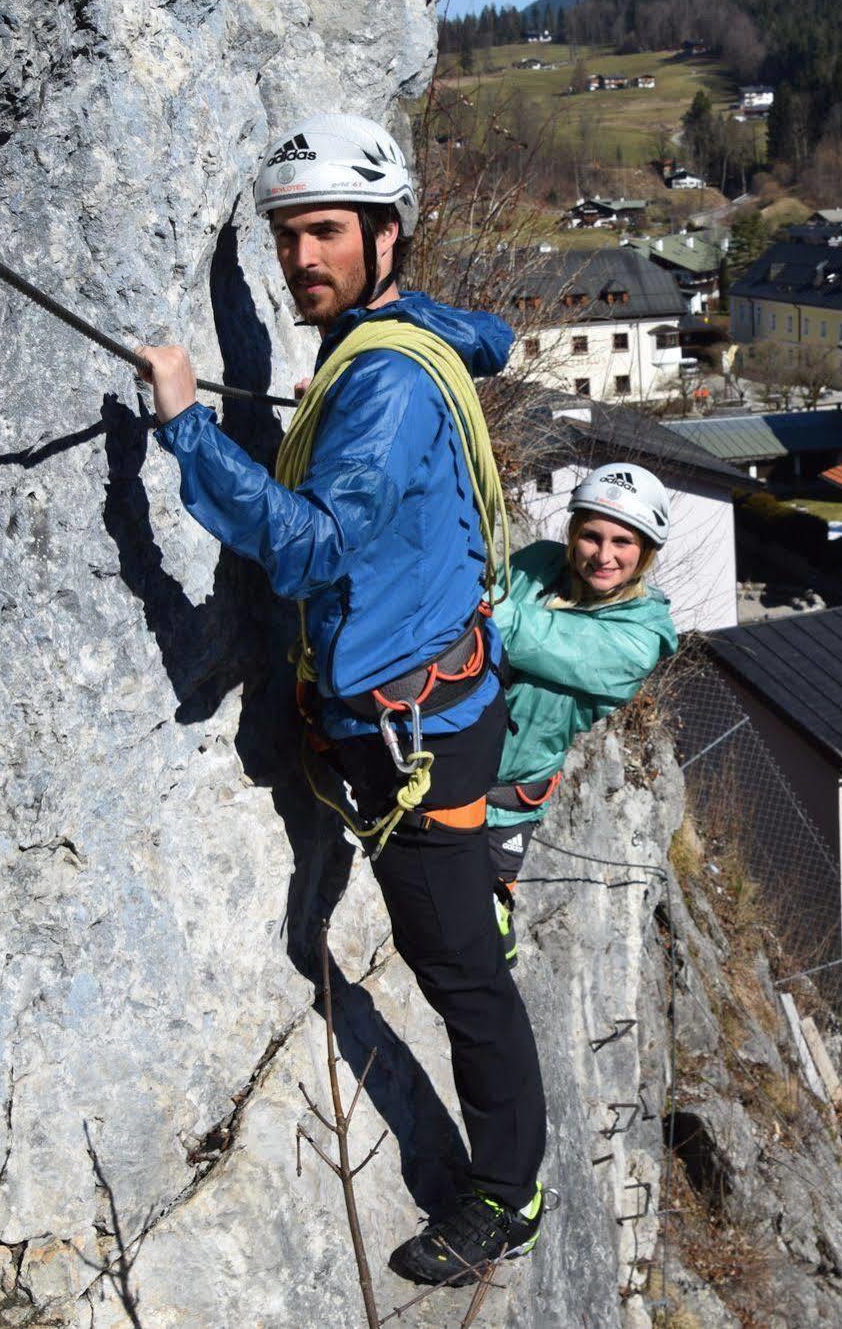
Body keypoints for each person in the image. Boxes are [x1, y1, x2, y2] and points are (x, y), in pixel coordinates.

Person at [134, 113, 546, 1288]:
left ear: (385, 232)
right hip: (440, 693)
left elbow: (310, 547)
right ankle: (484, 895)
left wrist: (184, 432)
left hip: (415, 730)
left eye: (323, 232)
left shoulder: (385, 392)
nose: (300, 258)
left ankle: (505, 1194)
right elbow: (495, 337)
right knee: (459, 921)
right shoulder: (411, 334)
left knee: (457, 966)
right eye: (284, 238)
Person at [487, 464, 680, 964]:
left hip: (504, 800)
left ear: (646, 552)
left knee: (484, 939)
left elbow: (523, 633)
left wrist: (475, 612)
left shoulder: (639, 639)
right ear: (573, 533)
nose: (604, 554)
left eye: (623, 542)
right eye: (592, 535)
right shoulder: (538, 562)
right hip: (444, 763)